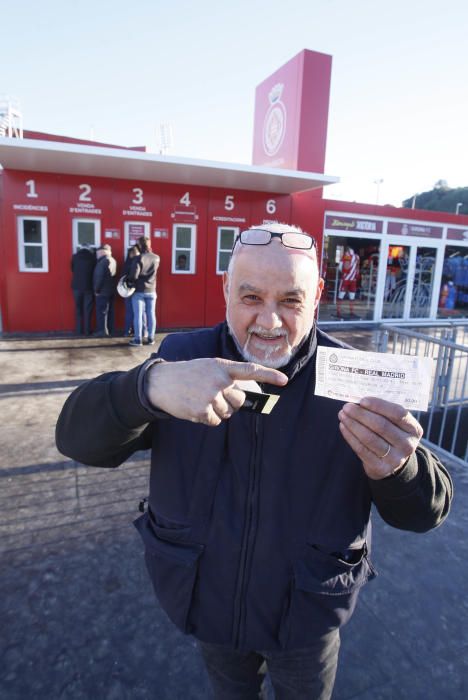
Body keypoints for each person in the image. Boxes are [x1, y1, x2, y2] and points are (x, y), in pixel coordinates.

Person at [56, 223, 452, 700]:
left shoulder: (354, 378)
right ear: (225, 287)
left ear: (318, 295)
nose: (269, 322)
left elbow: (427, 510)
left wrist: (399, 470)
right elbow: (75, 439)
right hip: (208, 604)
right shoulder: (182, 358)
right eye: (250, 298)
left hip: (308, 616)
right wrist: (146, 389)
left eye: (290, 300)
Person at [127, 236, 160, 347]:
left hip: (139, 291)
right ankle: (151, 338)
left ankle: (138, 340)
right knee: (151, 314)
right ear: (149, 245)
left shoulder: (138, 258)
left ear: (140, 245)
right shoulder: (157, 258)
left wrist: (129, 282)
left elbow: (133, 276)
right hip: (152, 290)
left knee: (138, 315)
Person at [70, 245, 96, 335]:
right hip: (88, 287)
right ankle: (87, 331)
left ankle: (78, 330)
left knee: (78, 309)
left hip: (76, 287)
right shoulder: (93, 257)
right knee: (87, 310)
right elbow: (94, 271)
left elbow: (72, 269)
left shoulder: (74, 257)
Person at [93, 244, 117, 337]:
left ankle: (102, 331)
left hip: (103, 291)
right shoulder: (113, 260)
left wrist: (96, 290)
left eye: (98, 252)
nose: (97, 255)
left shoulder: (102, 262)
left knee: (102, 312)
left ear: (102, 252)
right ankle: (110, 330)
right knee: (110, 311)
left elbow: (99, 277)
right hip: (111, 290)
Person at [335, 244, 360, 320]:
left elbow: (340, 267)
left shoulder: (345, 256)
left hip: (345, 278)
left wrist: (343, 273)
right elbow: (358, 269)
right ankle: (351, 311)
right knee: (352, 296)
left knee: (341, 296)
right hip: (353, 280)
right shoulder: (357, 257)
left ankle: (338, 312)